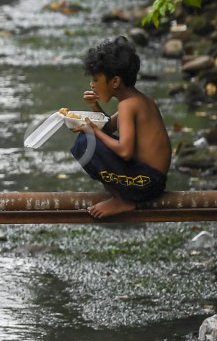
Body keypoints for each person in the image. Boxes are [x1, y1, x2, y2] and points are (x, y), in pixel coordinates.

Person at [70, 36, 171, 219]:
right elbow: (108, 128)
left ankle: (123, 200)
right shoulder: (140, 100)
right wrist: (94, 107)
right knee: (90, 137)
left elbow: (124, 151)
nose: (92, 85)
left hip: (144, 184)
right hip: (152, 181)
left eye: (96, 79)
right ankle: (121, 195)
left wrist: (92, 130)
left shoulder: (127, 106)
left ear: (115, 82)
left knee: (85, 143)